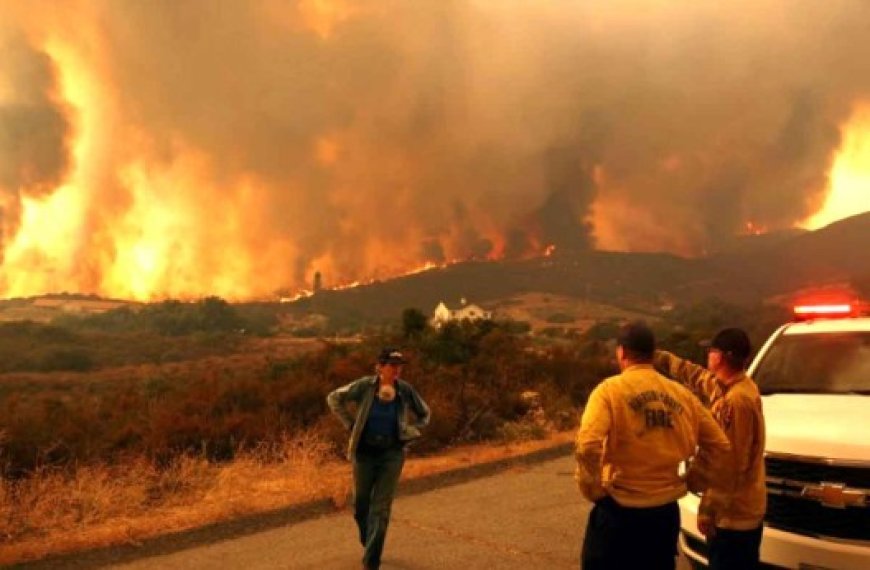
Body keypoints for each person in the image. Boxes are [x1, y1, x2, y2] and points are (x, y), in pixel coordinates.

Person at [575, 322, 732, 570]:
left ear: (622, 352)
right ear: (652, 354)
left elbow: (587, 446)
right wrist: (694, 480)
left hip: (618, 512)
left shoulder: (608, 391)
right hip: (663, 516)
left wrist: (594, 490)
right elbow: (720, 445)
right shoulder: (682, 395)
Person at [655, 328, 766, 570]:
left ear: (722, 357)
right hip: (738, 511)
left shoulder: (736, 401)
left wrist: (708, 509)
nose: (708, 354)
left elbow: (729, 463)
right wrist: (662, 359)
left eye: (712, 350)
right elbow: (696, 376)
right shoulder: (732, 386)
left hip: (734, 517)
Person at [327, 347, 430, 570]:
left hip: (391, 454)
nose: (397, 370)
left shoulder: (404, 390)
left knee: (381, 509)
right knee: (360, 505)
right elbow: (334, 397)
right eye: (392, 365)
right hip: (364, 453)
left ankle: (371, 561)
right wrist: (350, 424)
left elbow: (425, 413)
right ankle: (370, 541)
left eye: (399, 366)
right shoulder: (364, 386)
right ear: (379, 367)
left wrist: (411, 431)